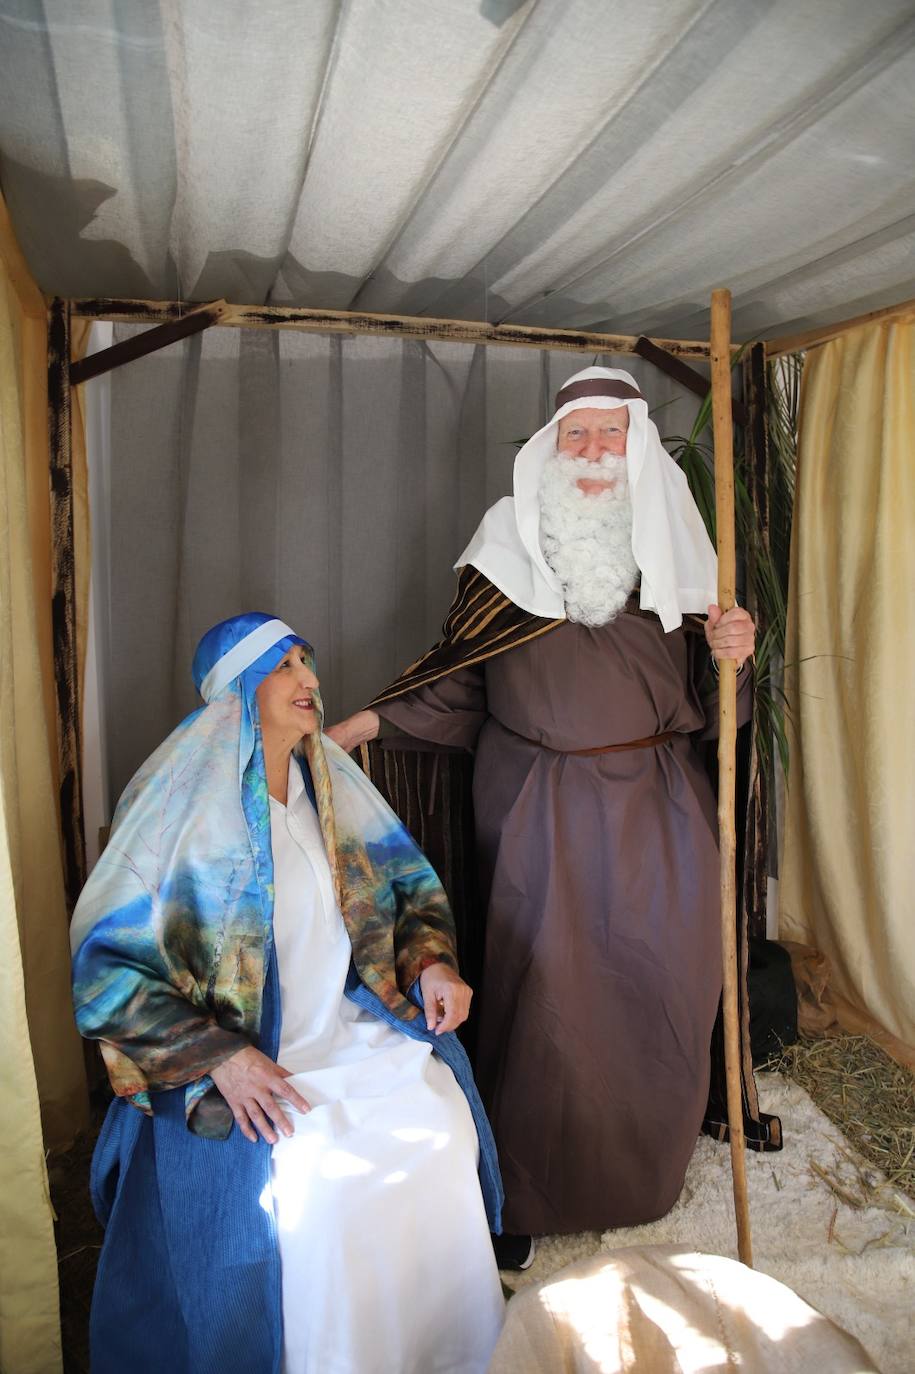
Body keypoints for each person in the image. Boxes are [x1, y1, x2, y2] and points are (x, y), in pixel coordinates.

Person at [327, 366, 757, 1259]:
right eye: (576, 435)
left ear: (636, 444)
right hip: (534, 809)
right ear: (549, 451)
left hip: (656, 811)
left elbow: (725, 715)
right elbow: (453, 682)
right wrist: (355, 727)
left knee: (657, 987)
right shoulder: (502, 551)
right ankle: (519, 1193)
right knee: (541, 998)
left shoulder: (681, 558)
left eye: (611, 433)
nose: (594, 451)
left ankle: (641, 1176)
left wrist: (733, 654)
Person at [71, 613, 505, 1374]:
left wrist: (431, 964)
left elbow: (406, 897)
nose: (309, 680)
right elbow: (106, 971)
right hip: (245, 1051)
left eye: (308, 661)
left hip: (344, 1031)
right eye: (284, 667)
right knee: (317, 1179)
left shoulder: (327, 786)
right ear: (238, 691)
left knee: (437, 1123)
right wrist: (222, 1058)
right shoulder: (180, 814)